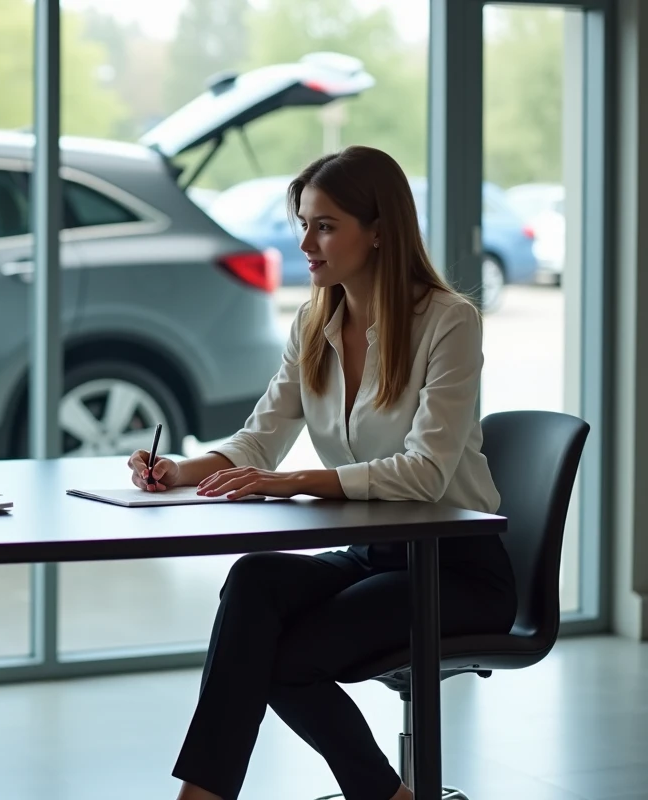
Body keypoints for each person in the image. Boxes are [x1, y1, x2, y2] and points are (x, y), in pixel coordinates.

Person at [127, 146, 518, 800]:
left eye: (325, 225)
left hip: (455, 568)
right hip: (375, 554)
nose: (304, 241)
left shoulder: (448, 322)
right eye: (303, 222)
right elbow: (261, 438)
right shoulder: (316, 321)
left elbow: (424, 473)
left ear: (379, 231)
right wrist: (178, 470)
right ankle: (214, 794)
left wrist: (298, 481)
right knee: (255, 578)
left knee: (281, 659)